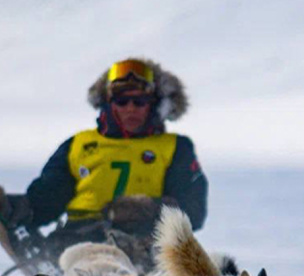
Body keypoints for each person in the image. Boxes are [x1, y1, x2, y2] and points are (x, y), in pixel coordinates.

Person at [20, 58, 208, 248]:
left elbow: (194, 211)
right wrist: (6, 207)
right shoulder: (79, 145)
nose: (131, 108)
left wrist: (147, 208)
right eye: (122, 101)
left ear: (154, 104)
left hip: (146, 245)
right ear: (108, 103)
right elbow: (44, 203)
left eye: (140, 101)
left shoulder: (175, 148)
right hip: (76, 241)